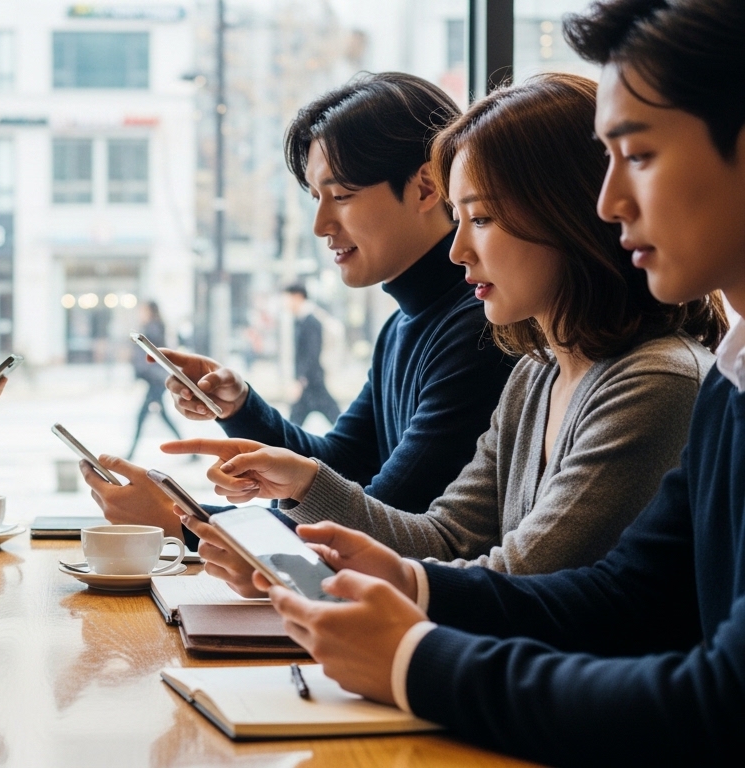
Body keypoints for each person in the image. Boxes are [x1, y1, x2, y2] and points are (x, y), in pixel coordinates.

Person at [245, 1, 745, 763]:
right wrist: (413, 586)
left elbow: (716, 700)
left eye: (637, 156)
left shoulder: (668, 379)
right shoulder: (719, 379)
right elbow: (623, 591)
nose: (610, 204)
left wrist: (414, 656)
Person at [173, 73, 725, 596]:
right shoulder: (536, 371)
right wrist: (300, 488)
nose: (459, 251)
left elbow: (520, 581)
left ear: (570, 215)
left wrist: (285, 561)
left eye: (480, 219)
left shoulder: (653, 380)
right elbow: (444, 538)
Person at [84, 73, 514, 539]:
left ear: (427, 188)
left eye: (341, 196)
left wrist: (181, 521)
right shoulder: (404, 325)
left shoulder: (481, 328)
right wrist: (241, 406)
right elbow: (340, 466)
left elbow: (378, 522)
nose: (321, 224)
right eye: (316, 198)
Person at [125, 300, 181, 460]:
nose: (140, 314)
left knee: (141, 416)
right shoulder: (154, 327)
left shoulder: (153, 328)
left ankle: (131, 452)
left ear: (150, 311)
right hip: (156, 379)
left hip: (156, 380)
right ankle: (190, 450)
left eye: (142, 310)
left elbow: (150, 354)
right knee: (162, 415)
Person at [283, 284, 340, 427]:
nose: (285, 304)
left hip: (311, 381)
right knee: (294, 422)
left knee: (337, 419)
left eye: (287, 299)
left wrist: (301, 380)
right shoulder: (302, 320)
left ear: (298, 297)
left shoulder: (311, 322)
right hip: (311, 382)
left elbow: (311, 353)